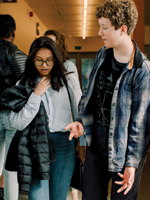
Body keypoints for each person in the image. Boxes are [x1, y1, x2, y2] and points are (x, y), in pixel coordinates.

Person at [65, 0, 150, 199]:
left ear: (123, 29)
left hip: (123, 154)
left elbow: (140, 125)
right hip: (96, 147)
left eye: (104, 27)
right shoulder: (102, 55)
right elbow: (90, 96)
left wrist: (132, 164)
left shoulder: (144, 72)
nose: (100, 32)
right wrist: (80, 121)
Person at [2, 36, 85, 200]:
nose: (44, 65)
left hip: (63, 144)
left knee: (58, 197)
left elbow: (80, 116)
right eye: (39, 60)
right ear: (32, 59)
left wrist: (82, 146)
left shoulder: (69, 81)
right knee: (37, 197)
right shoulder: (24, 82)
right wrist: (35, 95)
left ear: (56, 59)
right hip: (35, 144)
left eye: (49, 60)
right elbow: (18, 122)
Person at [44, 29, 81, 200]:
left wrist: (82, 138)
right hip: (41, 139)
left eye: (52, 43)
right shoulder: (38, 71)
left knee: (57, 193)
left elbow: (78, 102)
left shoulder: (68, 67)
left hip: (62, 138)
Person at [0, 14, 27, 200]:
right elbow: (27, 85)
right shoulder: (17, 55)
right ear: (13, 32)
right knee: (10, 168)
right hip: (12, 114)